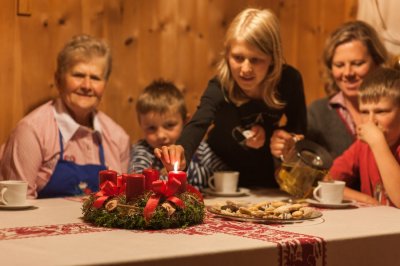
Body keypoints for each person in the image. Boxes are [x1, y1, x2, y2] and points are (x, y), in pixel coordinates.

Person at [155, 8, 307, 188]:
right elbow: (199, 122)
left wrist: (285, 140)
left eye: (256, 60)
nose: (245, 69)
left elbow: (300, 128)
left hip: (265, 176)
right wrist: (182, 150)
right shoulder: (220, 85)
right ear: (227, 54)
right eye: (238, 57)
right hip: (220, 175)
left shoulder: (289, 80)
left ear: (273, 58)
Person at [0, 34, 130, 198]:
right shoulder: (31, 130)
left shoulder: (117, 137)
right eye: (78, 75)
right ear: (58, 80)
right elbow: (16, 204)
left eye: (96, 78)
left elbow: (122, 201)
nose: (87, 86)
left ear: (105, 85)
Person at [271, 21, 388, 161]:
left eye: (357, 63)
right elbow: (300, 165)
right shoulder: (318, 113)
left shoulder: (394, 110)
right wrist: (285, 149)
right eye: (339, 65)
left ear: (377, 62)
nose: (348, 73)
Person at [129, 79, 229, 189]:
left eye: (169, 125)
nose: (161, 135)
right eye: (151, 128)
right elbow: (139, 180)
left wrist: (181, 171)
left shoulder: (198, 147)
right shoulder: (143, 149)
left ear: (185, 122)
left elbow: (225, 175)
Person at [327, 67, 400, 208]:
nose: (371, 121)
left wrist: (378, 144)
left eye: (381, 111)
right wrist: (367, 200)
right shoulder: (362, 146)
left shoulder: (375, 143)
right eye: (365, 112)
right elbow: (328, 180)